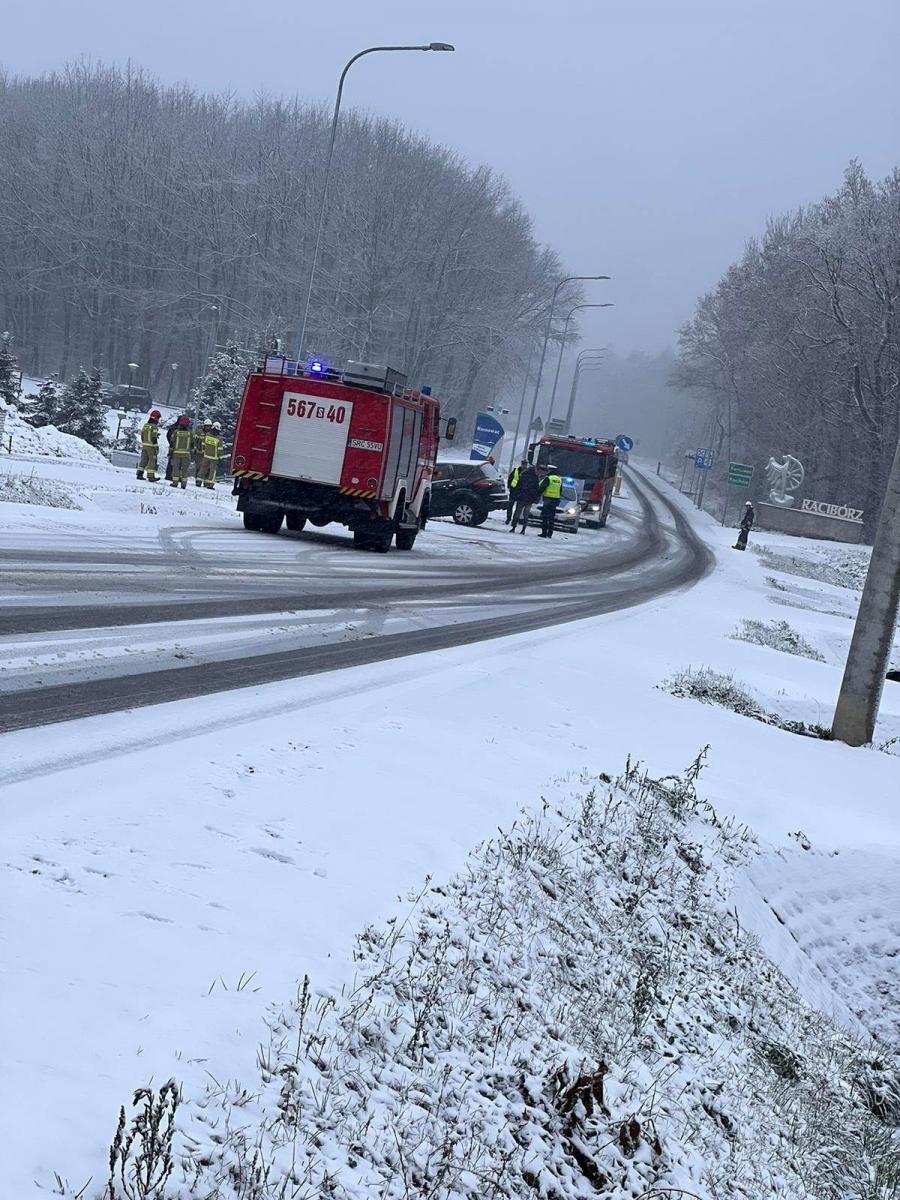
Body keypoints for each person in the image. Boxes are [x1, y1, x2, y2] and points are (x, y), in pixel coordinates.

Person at [510, 462, 541, 533]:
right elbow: (537, 489)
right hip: (529, 499)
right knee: (526, 514)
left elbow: (518, 487)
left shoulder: (523, 476)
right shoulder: (535, 479)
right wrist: (535, 498)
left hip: (521, 498)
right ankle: (523, 529)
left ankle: (513, 527)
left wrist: (516, 495)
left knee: (517, 512)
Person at [195, 421, 224, 489]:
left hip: (206, 456)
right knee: (212, 471)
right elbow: (220, 449)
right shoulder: (219, 438)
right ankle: (210, 484)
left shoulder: (207, 435)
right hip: (214, 458)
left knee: (203, 469)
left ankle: (198, 481)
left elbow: (203, 444)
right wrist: (221, 457)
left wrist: (203, 451)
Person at [168, 414, 193, 489]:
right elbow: (192, 444)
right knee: (185, 469)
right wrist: (192, 454)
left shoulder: (176, 432)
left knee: (176, 468)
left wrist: (170, 452)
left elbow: (172, 443)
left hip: (176, 454)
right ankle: (184, 484)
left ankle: (175, 483)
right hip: (186, 455)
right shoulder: (190, 433)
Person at [136, 410, 161, 482]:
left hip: (144, 445)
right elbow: (154, 438)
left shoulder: (145, 425)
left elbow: (142, 435)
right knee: (152, 461)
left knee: (143, 460)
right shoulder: (154, 427)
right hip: (151, 447)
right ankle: (151, 476)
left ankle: (139, 474)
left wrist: (144, 443)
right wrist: (156, 447)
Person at [538, 465, 563, 537]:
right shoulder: (559, 479)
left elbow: (542, 488)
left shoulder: (548, 478)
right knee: (551, 517)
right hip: (555, 500)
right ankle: (550, 533)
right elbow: (560, 490)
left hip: (548, 499)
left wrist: (538, 494)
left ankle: (544, 533)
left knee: (545, 516)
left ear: (550, 470)